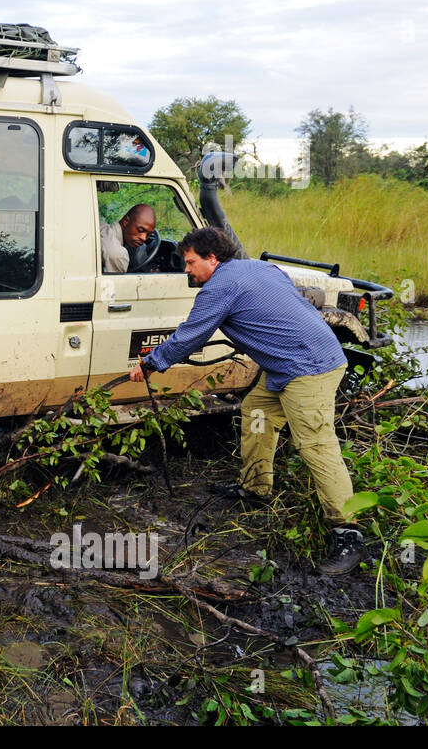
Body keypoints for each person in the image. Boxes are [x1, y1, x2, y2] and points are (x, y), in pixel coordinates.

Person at [129, 227, 364, 575]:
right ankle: (256, 486)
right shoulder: (257, 267)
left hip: (309, 367)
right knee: (257, 412)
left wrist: (151, 364)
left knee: (316, 444)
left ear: (213, 258)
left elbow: (190, 336)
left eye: (191, 263)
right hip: (285, 366)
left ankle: (349, 533)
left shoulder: (218, 289)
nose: (187, 270)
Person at [100, 204, 157, 273]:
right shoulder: (118, 254)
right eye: (140, 230)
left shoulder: (102, 227)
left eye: (148, 234)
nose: (144, 238)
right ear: (126, 222)